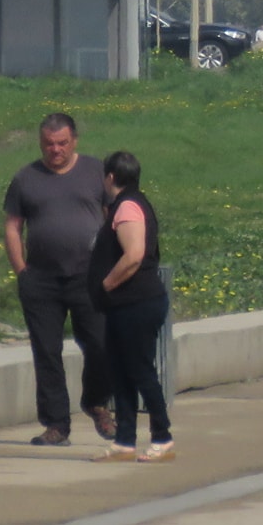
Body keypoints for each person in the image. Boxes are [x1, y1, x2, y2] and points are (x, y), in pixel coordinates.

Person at [5, 113, 114, 446]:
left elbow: (114, 219)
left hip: (89, 277)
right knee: (47, 352)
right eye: (49, 144)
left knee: (100, 344)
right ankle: (56, 425)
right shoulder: (26, 178)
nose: (56, 150)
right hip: (41, 280)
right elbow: (12, 227)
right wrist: (21, 270)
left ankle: (96, 401)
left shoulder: (96, 172)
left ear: (75, 141)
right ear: (41, 143)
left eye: (62, 143)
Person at [87, 152, 175, 463]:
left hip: (138, 303)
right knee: (120, 372)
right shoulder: (127, 204)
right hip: (122, 306)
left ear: (110, 177)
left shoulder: (127, 206)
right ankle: (125, 440)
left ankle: (162, 436)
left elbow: (134, 254)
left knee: (139, 370)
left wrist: (105, 284)